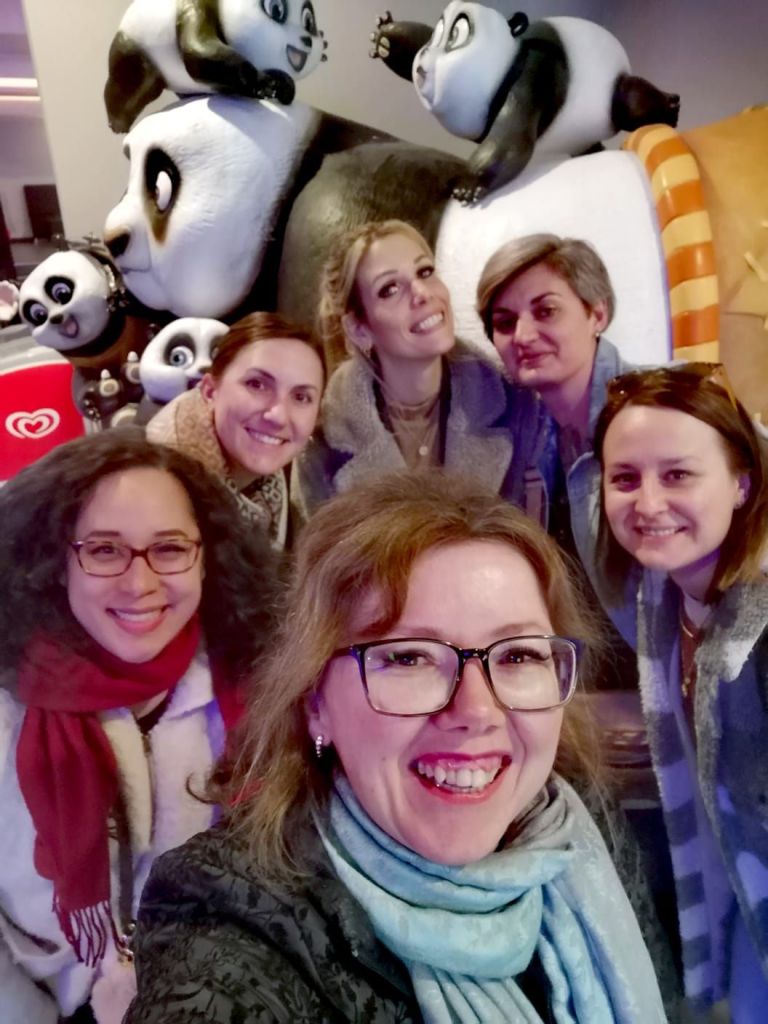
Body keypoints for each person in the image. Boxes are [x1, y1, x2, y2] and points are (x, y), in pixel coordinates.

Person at [125, 470, 675, 1024]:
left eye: (518, 655)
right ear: (315, 701)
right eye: (409, 657)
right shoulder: (226, 911)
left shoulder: (580, 825)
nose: (477, 712)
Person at [0, 428, 278, 1024]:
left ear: (207, 556)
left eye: (170, 549)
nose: (139, 583)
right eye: (104, 550)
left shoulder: (258, 689)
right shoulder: (8, 704)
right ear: (57, 562)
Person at [594, 364, 768, 1021]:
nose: (647, 503)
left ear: (742, 483)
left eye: (677, 475)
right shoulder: (663, 598)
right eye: (624, 478)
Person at [476, 233, 640, 693]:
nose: (523, 336)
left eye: (546, 311)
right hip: (583, 685)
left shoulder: (662, 404)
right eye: (505, 322)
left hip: (677, 684)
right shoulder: (524, 435)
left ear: (597, 313)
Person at [295, 219, 539, 514]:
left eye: (425, 272)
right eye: (390, 289)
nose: (422, 292)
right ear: (360, 329)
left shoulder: (516, 405)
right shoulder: (320, 442)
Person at [147, 310, 325, 548]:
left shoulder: (267, 484)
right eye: (257, 384)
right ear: (210, 390)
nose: (279, 416)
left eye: (301, 397)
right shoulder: (158, 499)